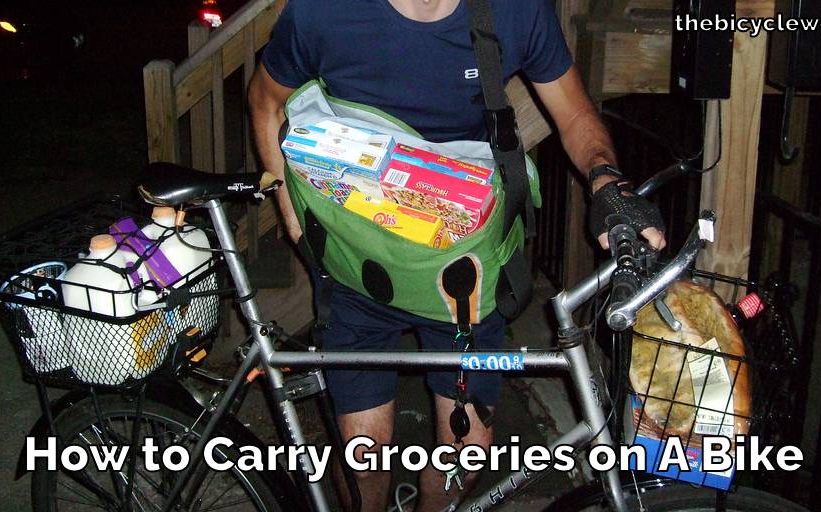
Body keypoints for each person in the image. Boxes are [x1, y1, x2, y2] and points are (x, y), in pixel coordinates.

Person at [248, 1, 666, 510]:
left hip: (465, 273)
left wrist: (607, 182)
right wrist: (293, 213)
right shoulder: (324, 10)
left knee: (465, 456)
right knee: (364, 458)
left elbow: (575, 113)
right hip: (357, 266)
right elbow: (265, 99)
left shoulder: (515, 11)